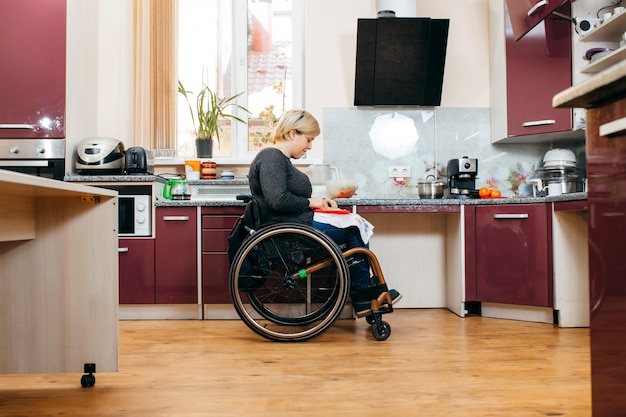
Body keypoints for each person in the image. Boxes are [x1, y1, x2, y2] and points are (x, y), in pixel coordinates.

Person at [247, 109, 402, 316]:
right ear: (293, 133)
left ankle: (364, 292)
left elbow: (285, 199)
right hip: (290, 232)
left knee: (353, 224)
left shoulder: (279, 159)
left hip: (295, 225)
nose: (310, 146)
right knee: (354, 230)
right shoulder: (271, 157)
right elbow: (277, 199)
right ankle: (363, 295)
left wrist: (316, 204)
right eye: (309, 139)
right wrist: (310, 202)